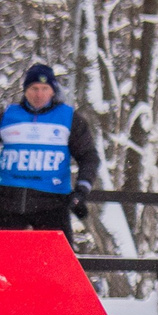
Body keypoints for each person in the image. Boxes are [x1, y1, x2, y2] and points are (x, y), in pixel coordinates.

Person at [0, 64, 100, 233]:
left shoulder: (69, 118)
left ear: (53, 91)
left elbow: (88, 156)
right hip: (8, 205)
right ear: (25, 90)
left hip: (52, 206)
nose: (39, 94)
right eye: (34, 88)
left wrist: (81, 190)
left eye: (45, 88)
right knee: (7, 259)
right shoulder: (8, 116)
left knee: (56, 260)